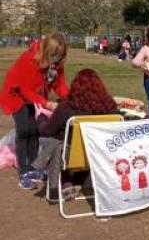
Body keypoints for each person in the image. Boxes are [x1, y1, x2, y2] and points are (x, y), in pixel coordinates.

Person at [31, 69, 118, 200]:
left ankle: (63, 180)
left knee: (56, 143)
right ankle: (77, 179)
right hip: (100, 154)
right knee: (60, 143)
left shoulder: (66, 107)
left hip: (71, 157)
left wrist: (40, 119)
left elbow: (48, 130)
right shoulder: (110, 108)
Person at [0, 33, 69, 189]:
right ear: (46, 52)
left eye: (60, 55)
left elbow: (60, 86)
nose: (57, 58)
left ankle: (34, 167)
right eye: (54, 55)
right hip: (16, 95)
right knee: (24, 130)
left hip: (34, 96)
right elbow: (25, 89)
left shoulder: (56, 64)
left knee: (35, 131)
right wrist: (45, 103)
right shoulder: (29, 59)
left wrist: (70, 98)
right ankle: (23, 171)